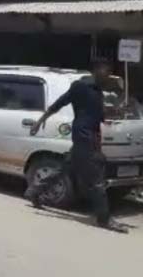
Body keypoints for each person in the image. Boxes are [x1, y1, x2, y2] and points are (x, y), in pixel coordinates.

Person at [26, 58, 128, 234]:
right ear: (96, 70)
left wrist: (117, 111)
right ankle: (104, 219)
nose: (108, 74)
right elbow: (59, 103)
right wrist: (40, 121)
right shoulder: (80, 86)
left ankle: (35, 191)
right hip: (84, 136)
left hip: (90, 136)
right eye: (106, 70)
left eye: (110, 70)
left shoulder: (98, 90)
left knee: (67, 168)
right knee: (96, 178)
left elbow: (97, 113)